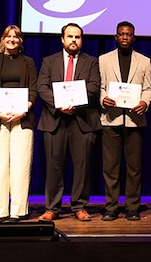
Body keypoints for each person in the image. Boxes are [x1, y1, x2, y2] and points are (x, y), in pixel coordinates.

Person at [37, 23, 101, 222]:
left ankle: (79, 206)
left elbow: (94, 87)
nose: (74, 40)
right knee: (53, 165)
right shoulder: (49, 61)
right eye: (70, 36)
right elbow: (42, 87)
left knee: (82, 167)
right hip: (55, 120)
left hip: (82, 120)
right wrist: (60, 103)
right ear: (62, 39)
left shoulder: (91, 62)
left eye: (78, 37)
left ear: (81, 40)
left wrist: (73, 102)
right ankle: (52, 208)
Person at [98, 21, 151, 221]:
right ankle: (111, 207)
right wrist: (102, 98)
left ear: (133, 38)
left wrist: (144, 103)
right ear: (116, 37)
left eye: (128, 34)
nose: (124, 37)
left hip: (134, 119)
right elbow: (101, 87)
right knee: (111, 166)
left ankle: (132, 207)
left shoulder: (144, 61)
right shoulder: (103, 60)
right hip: (111, 119)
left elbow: (148, 89)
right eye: (121, 34)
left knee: (134, 167)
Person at [0, 25, 38, 223]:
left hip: (22, 118)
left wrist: (24, 109)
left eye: (16, 37)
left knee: (20, 166)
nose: (13, 39)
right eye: (9, 36)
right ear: (2, 39)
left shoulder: (28, 62)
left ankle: (18, 211)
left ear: (21, 41)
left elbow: (34, 89)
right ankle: (0, 211)